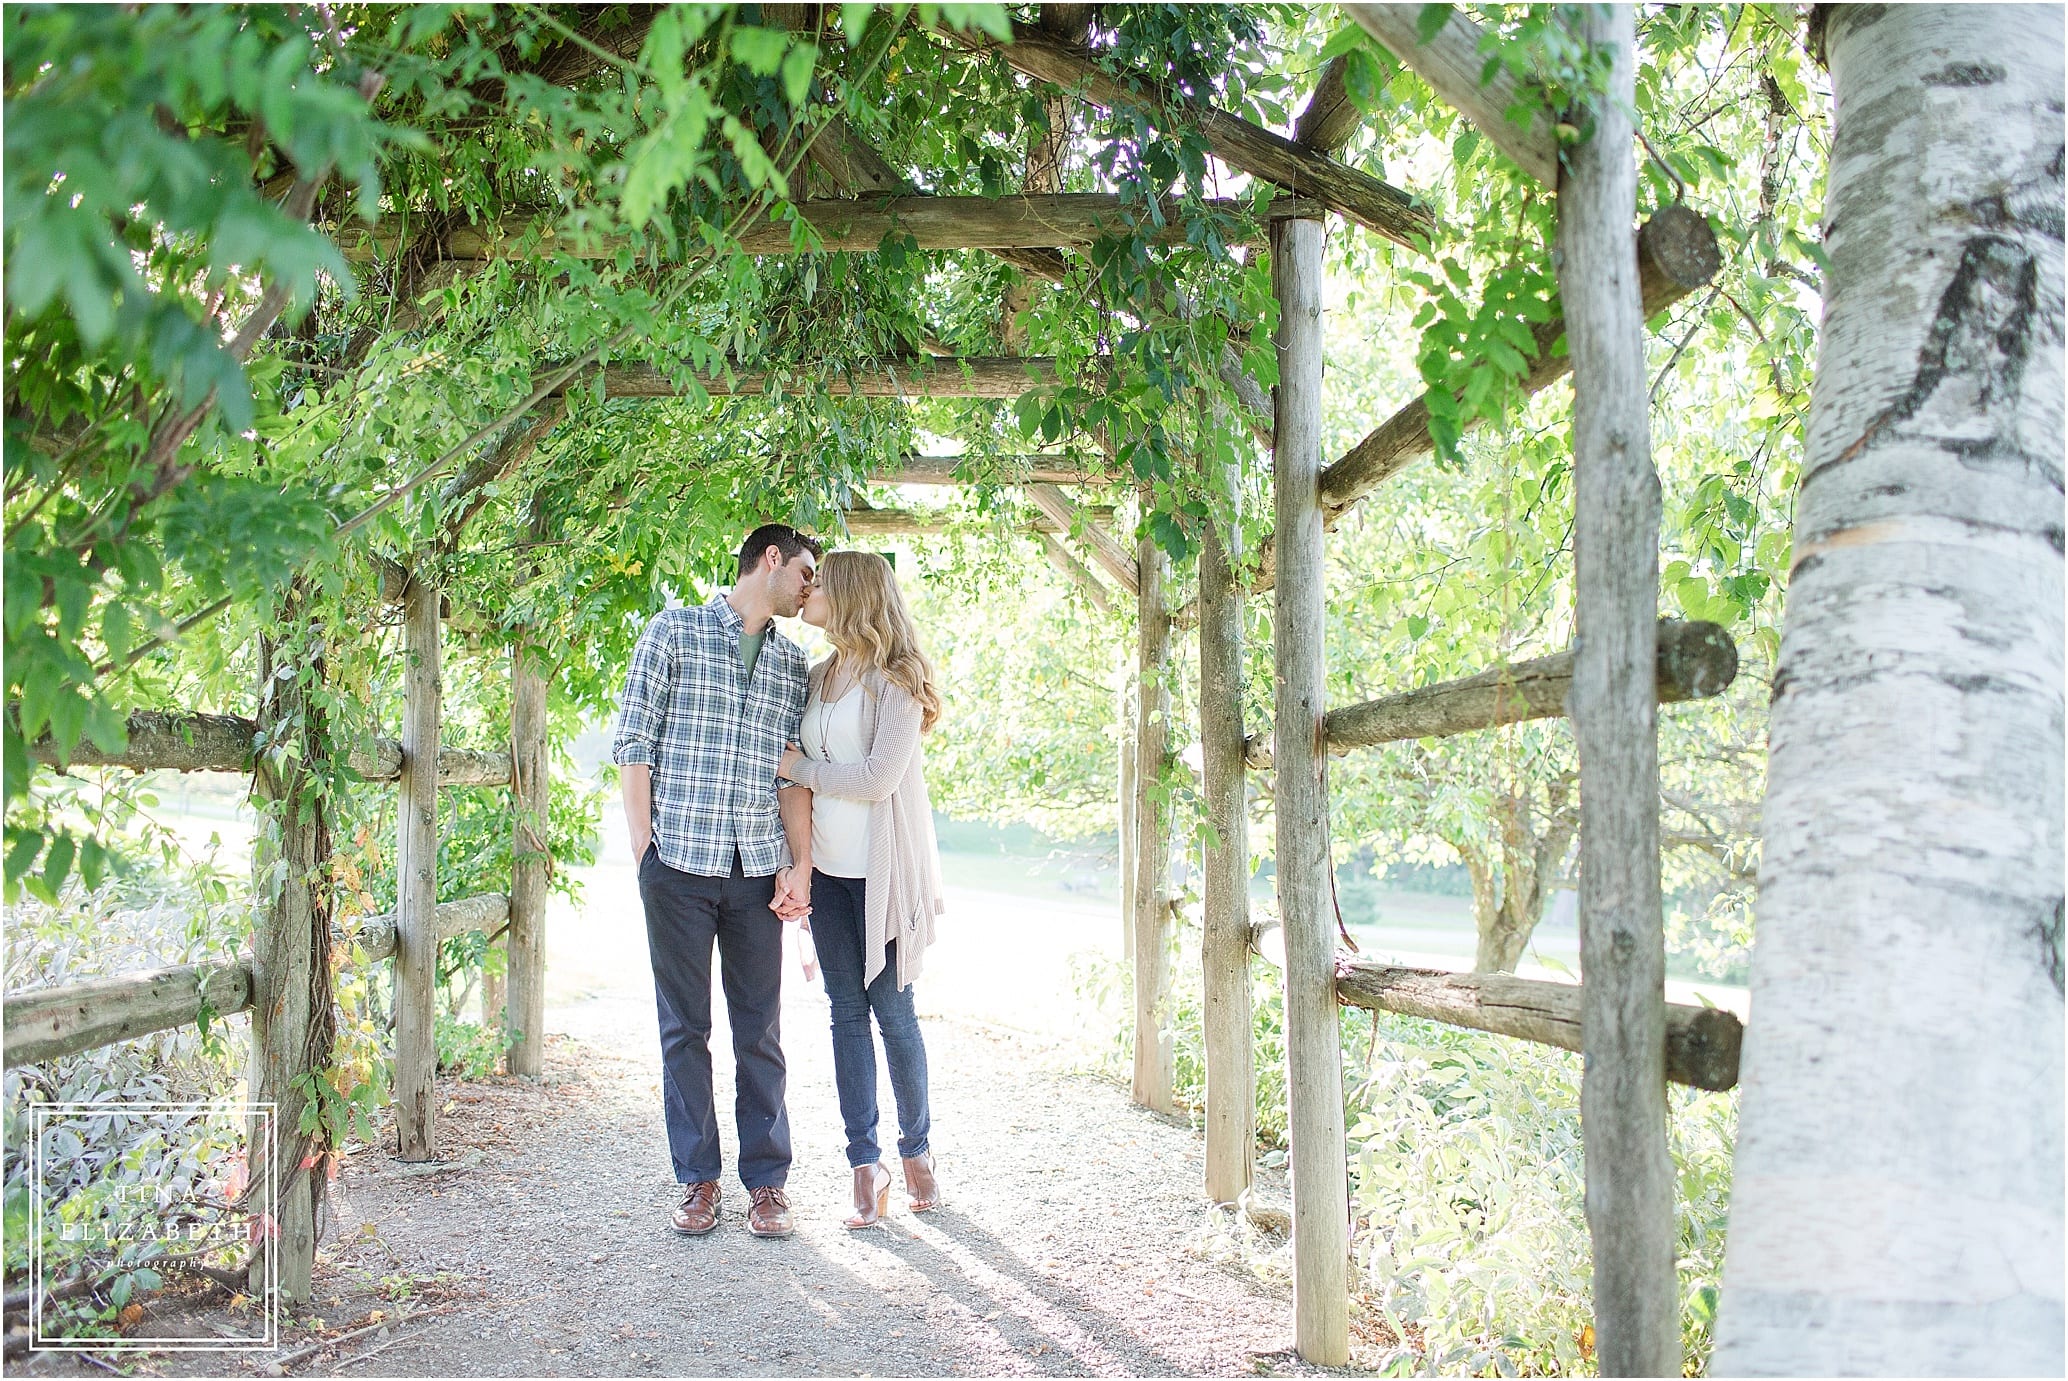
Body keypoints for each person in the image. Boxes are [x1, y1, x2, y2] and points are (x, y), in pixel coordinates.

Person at [613, 523, 820, 1239]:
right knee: (685, 1027)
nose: (808, 588)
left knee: (760, 1028)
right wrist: (645, 848)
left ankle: (767, 1182)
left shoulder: (793, 665)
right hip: (677, 863)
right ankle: (698, 1179)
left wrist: (802, 862)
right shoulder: (672, 632)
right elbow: (633, 742)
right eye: (804, 572)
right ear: (771, 559)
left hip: (756, 868)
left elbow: (792, 777)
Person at [778, 550, 947, 1229]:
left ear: (850, 595)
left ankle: (915, 1148)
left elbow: (878, 778)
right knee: (844, 1015)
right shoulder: (816, 677)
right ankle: (864, 1164)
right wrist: (799, 861)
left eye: (820, 583)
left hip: (882, 878)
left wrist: (802, 766)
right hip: (829, 874)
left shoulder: (898, 682)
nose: (808, 591)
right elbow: (795, 775)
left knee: (894, 1014)